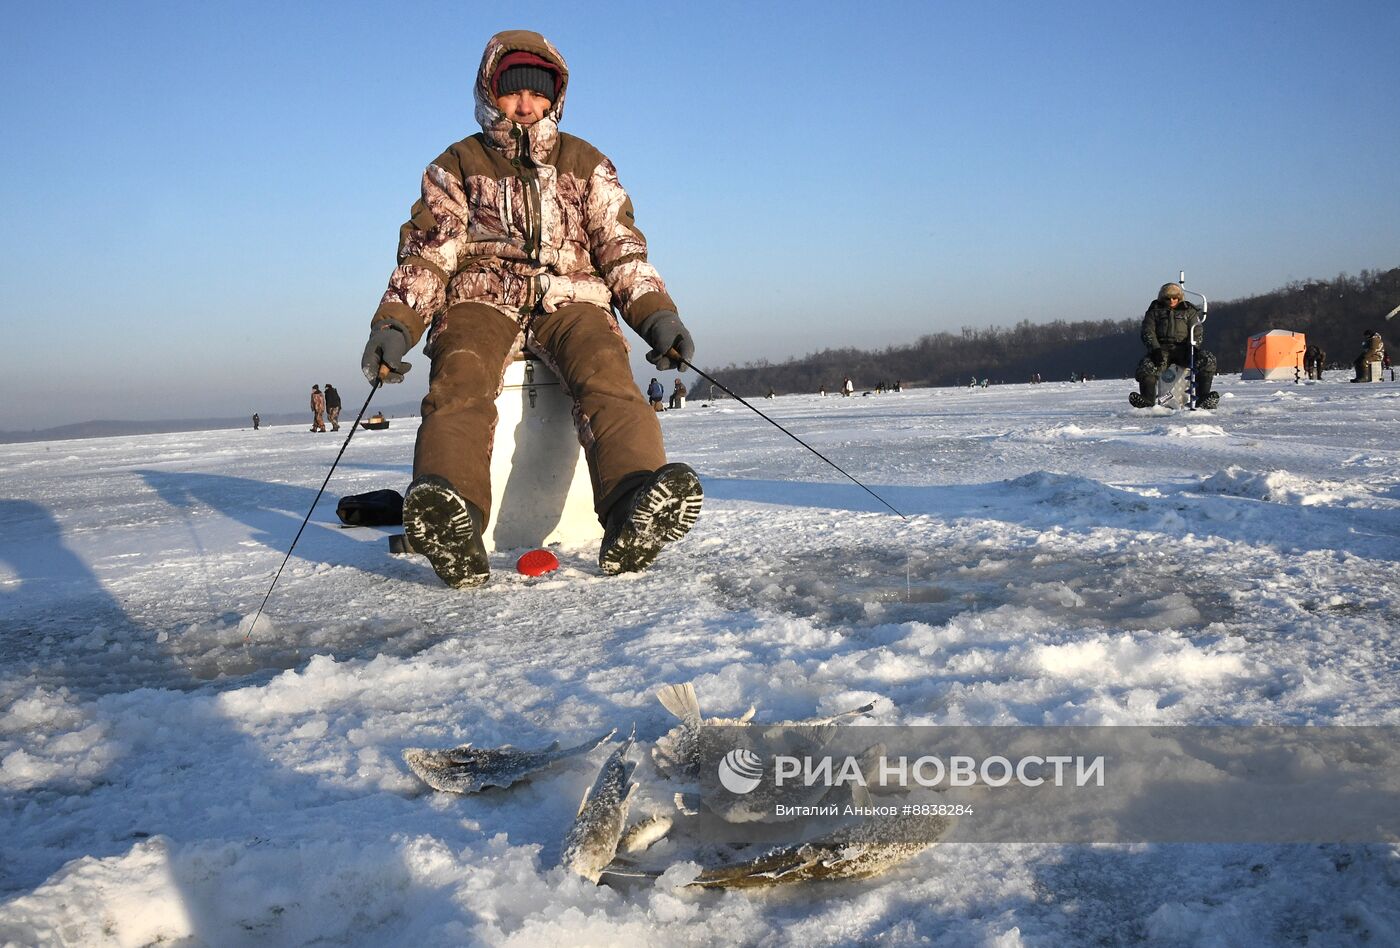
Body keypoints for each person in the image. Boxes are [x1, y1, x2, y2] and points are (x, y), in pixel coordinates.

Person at [358, 30, 701, 588]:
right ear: (490, 94)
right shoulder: (458, 163)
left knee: (607, 376)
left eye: (538, 94)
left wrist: (658, 316)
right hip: (479, 297)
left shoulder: (586, 162)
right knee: (459, 380)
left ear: (555, 97)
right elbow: (430, 253)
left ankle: (634, 503)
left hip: (571, 296)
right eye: (513, 93)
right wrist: (396, 324)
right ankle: (454, 519)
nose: (526, 105)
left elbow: (620, 246)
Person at [1130, 283, 1219, 409]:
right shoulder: (1154, 311)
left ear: (1179, 297)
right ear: (1162, 298)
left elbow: (1197, 331)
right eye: (1168, 298)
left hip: (1184, 350)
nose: (1172, 301)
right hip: (1162, 350)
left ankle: (1203, 398)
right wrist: (1155, 349)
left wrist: (1193, 347)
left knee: (1208, 359)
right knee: (1146, 366)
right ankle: (1147, 401)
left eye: (1175, 298)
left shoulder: (1189, 311)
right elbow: (1147, 331)